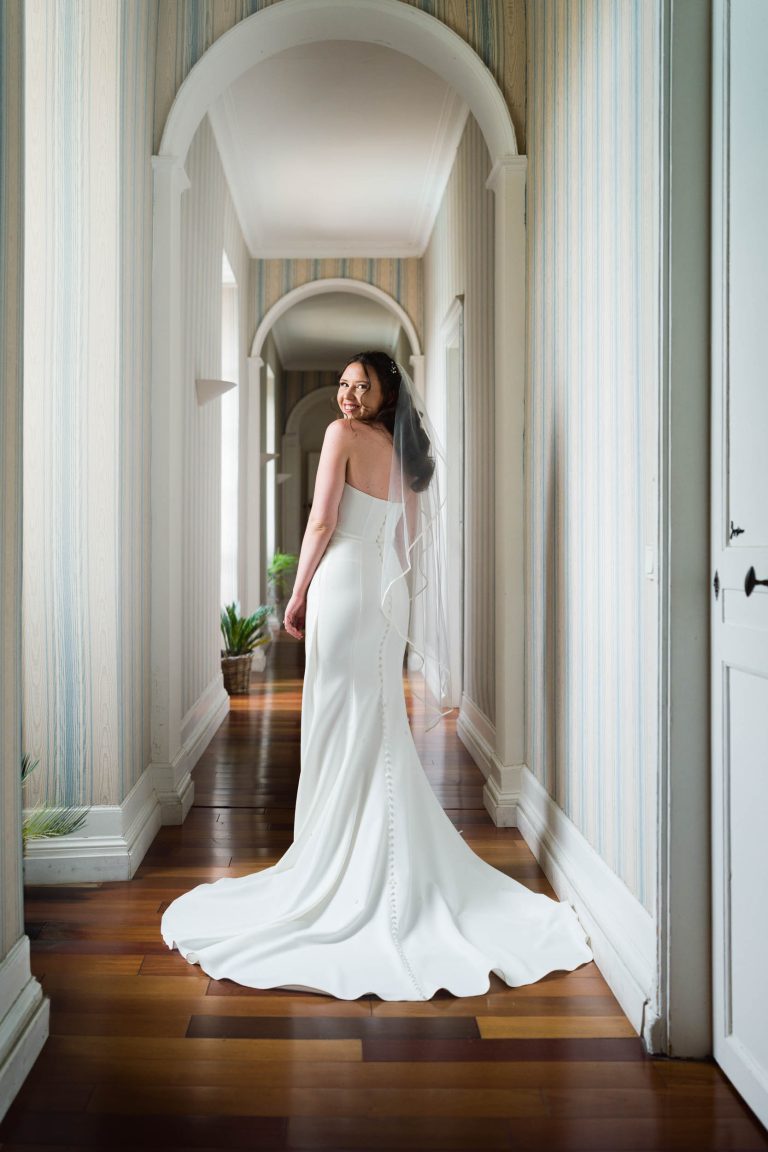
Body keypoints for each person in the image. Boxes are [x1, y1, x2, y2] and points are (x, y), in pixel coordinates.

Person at [161, 351, 593, 999]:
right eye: (342, 384)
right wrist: (394, 600)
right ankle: (376, 856)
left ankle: (337, 860)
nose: (348, 395)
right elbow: (407, 542)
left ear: (387, 391)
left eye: (362, 385)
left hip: (341, 586)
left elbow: (322, 521)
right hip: (384, 601)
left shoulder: (342, 437)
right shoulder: (406, 455)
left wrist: (297, 593)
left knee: (338, 719)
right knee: (376, 720)